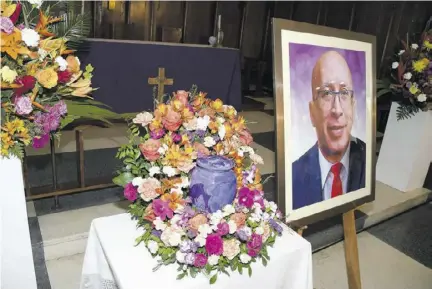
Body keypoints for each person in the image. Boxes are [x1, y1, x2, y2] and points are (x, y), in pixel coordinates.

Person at [292, 51, 366, 210]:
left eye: (344, 93)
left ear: (353, 107)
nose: (337, 110)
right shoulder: (293, 176)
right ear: (312, 113)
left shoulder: (368, 161)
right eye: (326, 93)